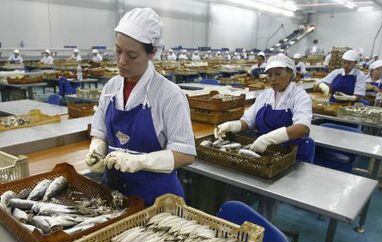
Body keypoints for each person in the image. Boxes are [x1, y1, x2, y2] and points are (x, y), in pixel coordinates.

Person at [86, 8, 196, 206]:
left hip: (157, 199)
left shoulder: (169, 95)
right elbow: (99, 131)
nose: (121, 61)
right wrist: (96, 149)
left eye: (132, 55)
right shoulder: (111, 87)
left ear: (152, 53)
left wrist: (140, 161)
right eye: (118, 51)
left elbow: (185, 154)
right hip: (115, 194)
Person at [214, 53, 314, 162]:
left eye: (278, 74)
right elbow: (248, 121)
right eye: (270, 75)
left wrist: (268, 139)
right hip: (265, 155)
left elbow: (302, 128)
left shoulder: (300, 96)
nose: (273, 79)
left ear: (290, 73)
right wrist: (230, 126)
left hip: (292, 156)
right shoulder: (265, 96)